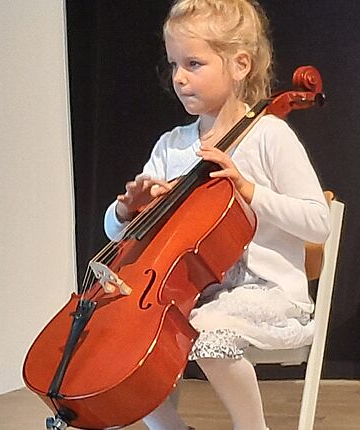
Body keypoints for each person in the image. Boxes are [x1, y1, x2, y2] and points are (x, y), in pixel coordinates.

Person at [102, 1, 330, 429]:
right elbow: (117, 235)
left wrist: (249, 190)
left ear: (240, 64)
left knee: (209, 336)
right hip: (191, 297)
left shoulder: (269, 136)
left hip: (271, 297)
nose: (179, 78)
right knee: (126, 342)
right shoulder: (171, 147)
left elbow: (319, 222)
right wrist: (125, 210)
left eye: (194, 63)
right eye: (173, 65)